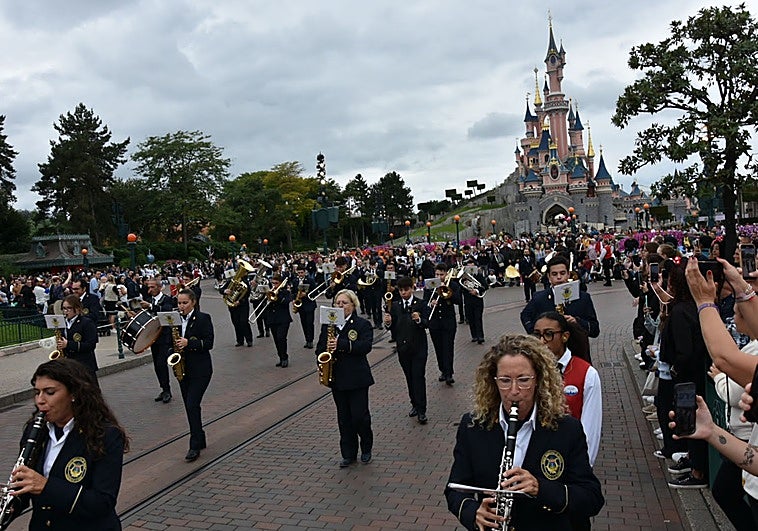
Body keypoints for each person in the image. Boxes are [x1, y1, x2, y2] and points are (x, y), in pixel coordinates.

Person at [444, 334, 604, 530]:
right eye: (504, 380)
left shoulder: (566, 429)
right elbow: (455, 489)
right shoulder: (473, 426)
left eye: (523, 380)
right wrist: (473, 512)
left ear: (538, 379)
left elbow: (592, 497)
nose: (514, 391)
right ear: (493, 381)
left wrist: (540, 488)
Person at [5, 358, 128, 530]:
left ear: (74, 394)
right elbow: (27, 487)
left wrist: (46, 486)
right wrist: (12, 502)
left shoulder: (105, 435)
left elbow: (102, 502)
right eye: (37, 392)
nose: (40, 400)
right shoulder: (35, 430)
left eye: (49, 392)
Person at [532, 311, 601, 466]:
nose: (542, 341)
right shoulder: (528, 370)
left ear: (565, 336)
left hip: (567, 458)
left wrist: (583, 466)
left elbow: (590, 429)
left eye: (549, 334)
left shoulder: (587, 374)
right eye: (537, 335)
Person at [315, 289, 374, 468]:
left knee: (360, 417)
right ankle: (348, 453)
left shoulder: (362, 324)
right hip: (338, 378)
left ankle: (366, 447)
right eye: (337, 303)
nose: (340, 306)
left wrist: (341, 345)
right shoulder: (328, 325)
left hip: (357, 378)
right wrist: (322, 357)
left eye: (344, 303)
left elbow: (365, 346)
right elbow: (319, 348)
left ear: (353, 305)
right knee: (344, 418)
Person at [520, 255, 600, 361]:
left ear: (568, 274)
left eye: (562, 273)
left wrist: (577, 322)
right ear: (548, 277)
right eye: (554, 274)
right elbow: (525, 315)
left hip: (577, 356)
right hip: (548, 358)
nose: (559, 277)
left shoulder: (583, 298)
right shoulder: (539, 298)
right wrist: (537, 334)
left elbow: (595, 330)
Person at [174, 288, 214, 462]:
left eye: (185, 303)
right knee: (190, 406)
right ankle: (200, 436)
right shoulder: (174, 321)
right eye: (179, 303)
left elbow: (209, 343)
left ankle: (194, 444)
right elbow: (170, 342)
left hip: (201, 369)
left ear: (193, 302)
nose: (181, 306)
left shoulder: (203, 318)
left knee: (192, 404)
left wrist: (189, 343)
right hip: (183, 370)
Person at [384, 276, 430, 424]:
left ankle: (422, 410)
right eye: (401, 290)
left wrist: (418, 320)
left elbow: (427, 323)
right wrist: (389, 323)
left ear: (412, 288)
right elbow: (393, 327)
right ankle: (414, 404)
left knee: (418, 376)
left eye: (406, 289)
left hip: (418, 347)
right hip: (403, 348)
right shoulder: (395, 306)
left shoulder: (421, 304)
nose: (404, 292)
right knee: (409, 377)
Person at [141, 277, 176, 404]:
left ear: (159, 287)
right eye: (148, 287)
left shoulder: (166, 299)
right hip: (154, 337)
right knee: (157, 365)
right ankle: (163, 388)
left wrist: (150, 306)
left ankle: (167, 390)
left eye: (152, 287)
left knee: (162, 363)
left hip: (165, 337)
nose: (150, 290)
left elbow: (167, 311)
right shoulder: (149, 299)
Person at [425, 263, 460, 385]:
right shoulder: (430, 286)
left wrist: (448, 294)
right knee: (438, 348)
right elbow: (425, 302)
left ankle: (449, 373)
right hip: (435, 322)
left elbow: (459, 300)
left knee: (448, 347)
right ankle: (443, 371)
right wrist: (430, 303)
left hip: (448, 321)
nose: (439, 277)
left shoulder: (453, 285)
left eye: (441, 274)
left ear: (446, 274)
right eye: (437, 274)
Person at [57, 295, 100, 383]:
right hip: (69, 364)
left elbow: (91, 345)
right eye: (64, 308)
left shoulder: (86, 323)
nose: (66, 311)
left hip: (84, 364)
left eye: (69, 308)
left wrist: (68, 344)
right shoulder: (62, 323)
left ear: (77, 309)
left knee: (89, 393)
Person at [265, 274, 292, 367]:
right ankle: (281, 357)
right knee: (276, 340)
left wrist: (277, 295)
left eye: (276, 283)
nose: (274, 285)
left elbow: (286, 301)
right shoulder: (269, 292)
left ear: (281, 283)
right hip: (272, 319)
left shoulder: (285, 292)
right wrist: (268, 297)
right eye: (273, 283)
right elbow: (266, 307)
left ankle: (285, 357)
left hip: (283, 319)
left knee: (281, 338)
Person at [461, 260, 489, 344]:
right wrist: (464, 282)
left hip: (477, 300)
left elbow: (485, 286)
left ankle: (480, 336)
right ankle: (474, 336)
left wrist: (476, 290)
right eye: (469, 267)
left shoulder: (479, 276)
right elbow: (461, 289)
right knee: (471, 319)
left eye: (472, 267)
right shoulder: (464, 278)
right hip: (468, 301)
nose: (471, 269)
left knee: (478, 318)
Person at [292, 265, 317, 349]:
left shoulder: (310, 280)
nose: (300, 274)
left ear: (305, 272)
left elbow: (315, 292)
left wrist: (306, 294)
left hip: (309, 305)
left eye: (302, 272)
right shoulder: (295, 281)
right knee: (304, 323)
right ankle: (307, 339)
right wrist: (294, 299)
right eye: (298, 273)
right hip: (301, 306)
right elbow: (293, 292)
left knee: (310, 323)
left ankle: (310, 340)